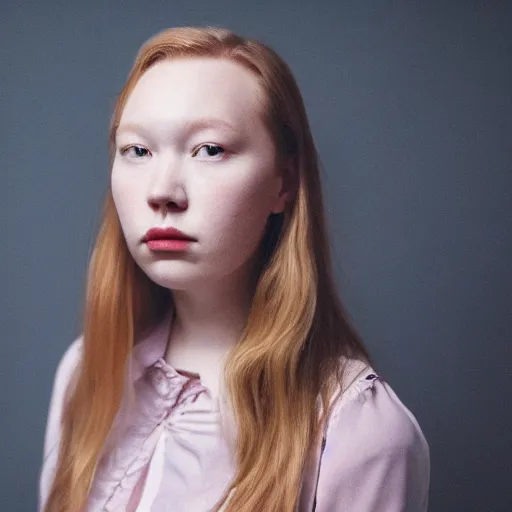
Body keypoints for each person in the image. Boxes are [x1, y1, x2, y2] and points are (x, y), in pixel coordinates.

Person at [38, 26, 430, 512]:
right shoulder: (86, 373)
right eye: (137, 150)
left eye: (210, 149)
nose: (162, 191)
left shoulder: (359, 431)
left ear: (283, 184)